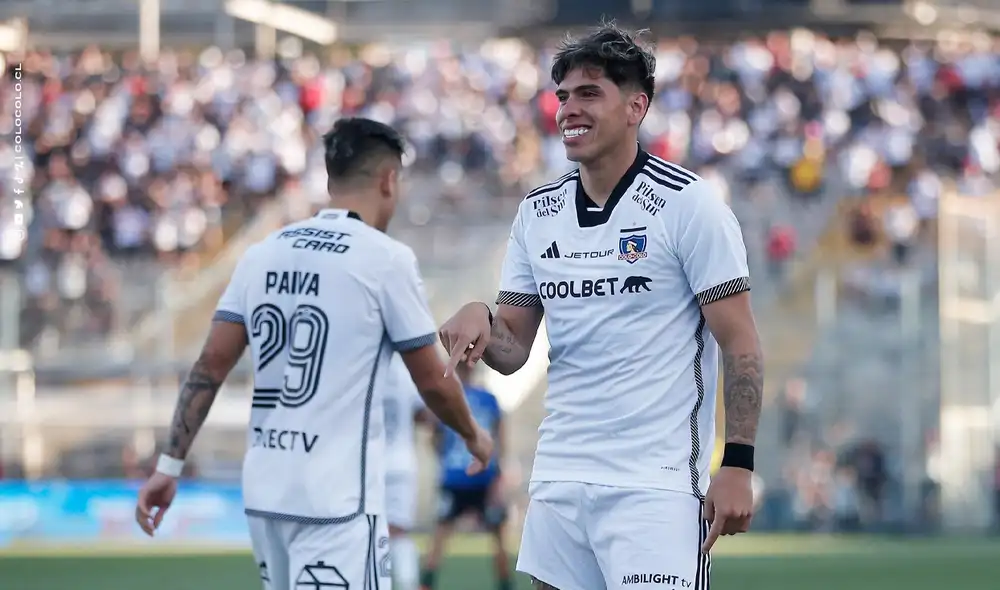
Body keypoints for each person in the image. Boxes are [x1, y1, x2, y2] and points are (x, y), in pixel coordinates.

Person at [438, 23, 764, 590]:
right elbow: (512, 350)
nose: (568, 109)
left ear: (636, 105)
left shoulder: (688, 206)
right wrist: (481, 320)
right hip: (561, 480)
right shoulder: (536, 214)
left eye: (589, 93)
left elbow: (740, 342)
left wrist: (737, 463)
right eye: (562, 95)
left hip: (654, 487)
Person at [134, 117, 494, 590]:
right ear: (389, 180)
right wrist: (472, 435)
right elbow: (431, 379)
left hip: (266, 494)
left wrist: (168, 466)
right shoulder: (385, 259)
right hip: (336, 503)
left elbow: (209, 367)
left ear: (330, 179)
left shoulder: (261, 253)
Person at [421, 363, 510, 590]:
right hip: (480, 475)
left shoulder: (448, 398)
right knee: (496, 537)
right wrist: (498, 470)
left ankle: (426, 585)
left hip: (457, 476)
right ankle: (505, 585)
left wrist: (445, 458)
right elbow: (500, 439)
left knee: (441, 535)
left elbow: (434, 438)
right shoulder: (488, 399)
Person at [383, 353, 432, 590]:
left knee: (366, 533)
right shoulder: (407, 369)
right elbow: (425, 415)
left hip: (365, 464)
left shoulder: (360, 364)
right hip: (400, 464)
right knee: (399, 534)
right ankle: (408, 585)